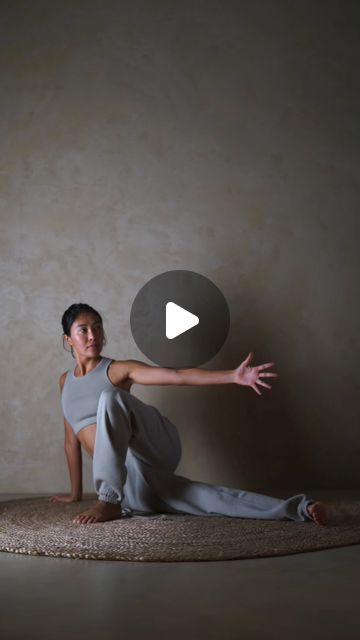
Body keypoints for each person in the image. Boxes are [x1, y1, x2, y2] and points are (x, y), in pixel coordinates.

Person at [50, 302, 330, 526]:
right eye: (83, 330)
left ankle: (107, 500)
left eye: (97, 328)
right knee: (212, 498)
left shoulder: (118, 369)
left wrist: (233, 376)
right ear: (68, 339)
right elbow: (70, 441)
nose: (93, 336)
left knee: (111, 397)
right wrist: (75, 494)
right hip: (133, 484)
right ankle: (302, 508)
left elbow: (177, 375)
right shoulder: (65, 381)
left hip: (155, 448)